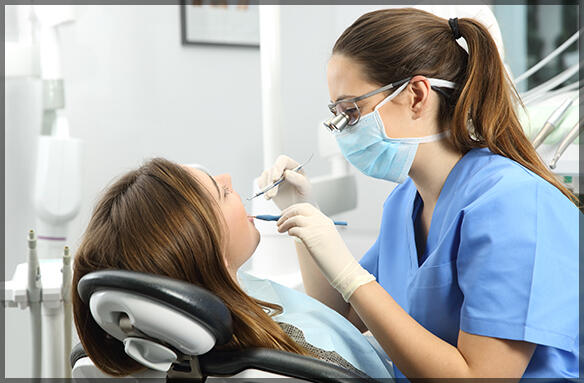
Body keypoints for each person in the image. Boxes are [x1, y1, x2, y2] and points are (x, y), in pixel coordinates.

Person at [260, 8, 580, 380]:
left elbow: (481, 378)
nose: (341, 129)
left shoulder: (515, 205)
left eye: (351, 111)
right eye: (336, 113)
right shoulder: (404, 203)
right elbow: (344, 314)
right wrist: (302, 214)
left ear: (416, 95)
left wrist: (350, 273)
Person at [72, 158, 393, 379]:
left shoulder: (154, 342)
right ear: (211, 256)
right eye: (221, 192)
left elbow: (324, 316)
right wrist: (350, 276)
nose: (228, 178)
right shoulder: (299, 355)